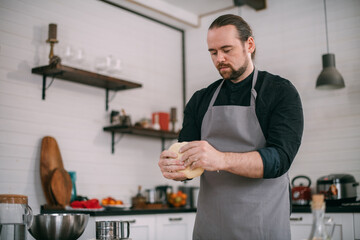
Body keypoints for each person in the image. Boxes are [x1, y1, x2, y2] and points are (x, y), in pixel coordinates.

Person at [158, 14, 303, 239]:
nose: (220, 59)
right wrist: (176, 168)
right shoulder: (200, 99)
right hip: (212, 224)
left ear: (249, 45)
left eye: (227, 49)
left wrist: (222, 159)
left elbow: (280, 159)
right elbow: (188, 158)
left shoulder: (280, 91)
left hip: (262, 222)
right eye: (213, 53)